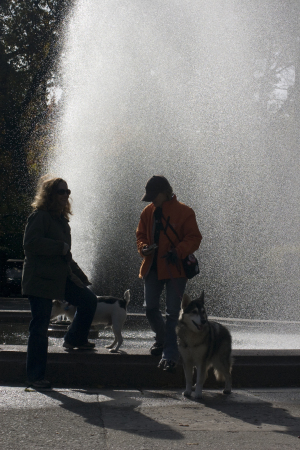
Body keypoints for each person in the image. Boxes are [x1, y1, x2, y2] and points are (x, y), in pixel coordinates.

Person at [22, 175, 97, 389]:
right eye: (61, 191)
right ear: (50, 195)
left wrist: (81, 277)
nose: (66, 195)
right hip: (39, 280)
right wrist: (58, 247)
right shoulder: (40, 216)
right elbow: (30, 244)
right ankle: (35, 377)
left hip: (59, 278)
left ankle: (74, 338)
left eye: (67, 191)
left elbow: (66, 254)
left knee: (89, 300)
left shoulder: (62, 221)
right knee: (40, 327)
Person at [136, 175, 202, 373]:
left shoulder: (185, 212)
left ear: (165, 192)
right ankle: (164, 339)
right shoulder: (147, 212)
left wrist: (178, 250)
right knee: (150, 308)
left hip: (175, 269)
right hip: (152, 267)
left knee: (173, 313)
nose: (150, 200)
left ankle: (170, 354)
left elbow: (194, 237)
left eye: (153, 196)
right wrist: (144, 248)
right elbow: (140, 235)